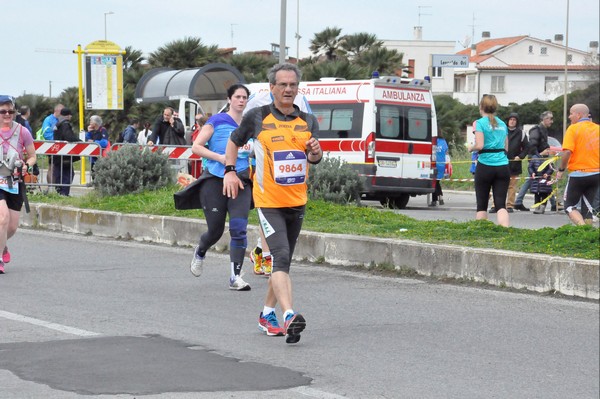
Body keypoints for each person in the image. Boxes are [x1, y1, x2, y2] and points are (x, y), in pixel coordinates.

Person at [223, 63, 322, 344]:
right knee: (279, 256)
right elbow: (233, 142)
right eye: (283, 85)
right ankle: (289, 315)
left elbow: (314, 158)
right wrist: (230, 171)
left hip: (297, 201)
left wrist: (315, 152)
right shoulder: (258, 116)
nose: (288, 89)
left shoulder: (307, 121)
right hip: (268, 201)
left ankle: (267, 313)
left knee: (284, 262)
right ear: (272, 88)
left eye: (293, 85)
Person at [189, 84, 252, 291]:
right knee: (215, 231)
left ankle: (235, 277)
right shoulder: (216, 121)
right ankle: (200, 250)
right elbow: (196, 146)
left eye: (244, 97)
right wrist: (220, 158)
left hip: (241, 180)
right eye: (237, 97)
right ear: (229, 99)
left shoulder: (250, 125)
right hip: (215, 180)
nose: (241, 101)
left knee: (238, 228)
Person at [0, 95, 37, 274]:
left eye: (10, 111)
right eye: (3, 111)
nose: (7, 114)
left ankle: (3, 244)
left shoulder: (22, 131)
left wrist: (26, 165)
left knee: (13, 226)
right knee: (2, 218)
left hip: (14, 182)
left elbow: (32, 156)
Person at [467, 94, 510, 227]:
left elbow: (479, 145)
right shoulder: (502, 123)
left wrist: (470, 148)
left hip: (485, 165)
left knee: (482, 204)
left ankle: (482, 234)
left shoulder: (479, 123)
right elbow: (506, 147)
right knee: (501, 204)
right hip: (502, 166)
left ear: (481, 107)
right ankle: (505, 231)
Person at [556, 104, 600, 225]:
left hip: (578, 174)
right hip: (596, 173)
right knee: (588, 207)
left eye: (571, 113)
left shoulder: (573, 129)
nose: (569, 117)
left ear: (578, 114)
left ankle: (583, 230)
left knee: (569, 206)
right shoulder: (597, 129)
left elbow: (567, 152)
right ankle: (589, 237)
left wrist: (561, 169)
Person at [514, 111, 554, 212]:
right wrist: (540, 155)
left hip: (540, 159)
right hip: (537, 159)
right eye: (550, 118)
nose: (552, 121)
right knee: (534, 180)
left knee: (543, 181)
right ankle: (518, 201)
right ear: (544, 119)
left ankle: (553, 203)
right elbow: (532, 145)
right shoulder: (537, 130)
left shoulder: (543, 129)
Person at [52, 108, 82, 196]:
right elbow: (68, 136)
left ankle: (59, 192)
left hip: (57, 153)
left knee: (59, 173)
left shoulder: (57, 124)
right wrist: (80, 141)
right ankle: (64, 193)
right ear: (68, 115)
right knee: (67, 174)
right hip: (65, 155)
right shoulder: (65, 124)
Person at [504, 113, 529, 212]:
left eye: (514, 119)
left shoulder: (521, 133)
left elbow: (527, 147)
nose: (512, 121)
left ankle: (510, 205)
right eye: (510, 119)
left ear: (517, 121)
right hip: (501, 162)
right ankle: (496, 205)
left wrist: (520, 156)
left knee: (512, 186)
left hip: (515, 163)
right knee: (499, 185)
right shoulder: (502, 131)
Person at [41, 103, 64, 186]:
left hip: (61, 148)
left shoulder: (60, 120)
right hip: (52, 147)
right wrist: (57, 140)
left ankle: (57, 187)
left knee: (58, 168)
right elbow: (46, 133)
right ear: (57, 111)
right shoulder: (48, 120)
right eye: (62, 112)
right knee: (52, 167)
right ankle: (50, 187)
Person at [430, 129, 448, 207]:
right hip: (442, 165)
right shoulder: (443, 141)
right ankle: (440, 198)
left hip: (435, 164)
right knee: (437, 182)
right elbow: (447, 153)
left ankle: (434, 200)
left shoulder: (433, 141)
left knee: (434, 183)